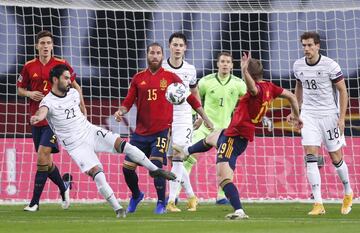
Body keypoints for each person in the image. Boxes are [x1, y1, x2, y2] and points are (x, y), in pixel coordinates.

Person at [30, 64, 177, 218]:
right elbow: (42, 112)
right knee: (97, 174)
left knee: (123, 144)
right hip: (76, 145)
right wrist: (38, 117)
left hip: (90, 131)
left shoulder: (72, 93)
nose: (69, 81)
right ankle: (118, 209)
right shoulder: (48, 102)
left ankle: (155, 170)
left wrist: (84, 109)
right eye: (66, 78)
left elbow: (78, 93)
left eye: (69, 78)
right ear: (55, 79)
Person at [174, 52, 302, 219]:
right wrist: (296, 115)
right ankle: (187, 151)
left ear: (249, 74)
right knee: (212, 137)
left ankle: (239, 210)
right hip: (233, 134)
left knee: (223, 178)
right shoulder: (271, 87)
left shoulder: (254, 90)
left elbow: (253, 88)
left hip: (234, 138)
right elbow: (292, 96)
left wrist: (244, 71)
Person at [114, 42, 213, 214]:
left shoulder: (170, 77)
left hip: (161, 132)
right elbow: (128, 102)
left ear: (161, 56)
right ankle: (136, 195)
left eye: (158, 53)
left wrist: (204, 117)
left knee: (156, 168)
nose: (154, 56)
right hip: (140, 133)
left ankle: (161, 203)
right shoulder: (138, 78)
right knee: (127, 168)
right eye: (151, 52)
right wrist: (121, 111)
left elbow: (190, 98)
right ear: (147, 55)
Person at [17, 30, 87, 211]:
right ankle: (63, 187)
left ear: (52, 45)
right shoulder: (29, 66)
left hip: (56, 120)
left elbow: (75, 85)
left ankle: (34, 203)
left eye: (48, 43)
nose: (46, 46)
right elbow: (20, 89)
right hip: (37, 118)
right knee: (45, 162)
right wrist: (29, 93)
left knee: (42, 156)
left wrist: (83, 107)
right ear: (37, 46)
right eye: (42, 43)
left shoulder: (61, 64)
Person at [287, 31, 353, 215]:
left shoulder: (330, 65)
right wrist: (295, 111)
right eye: (304, 45)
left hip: (329, 115)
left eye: (309, 45)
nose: (306, 49)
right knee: (310, 155)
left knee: (335, 158)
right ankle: (318, 203)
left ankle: (348, 192)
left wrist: (341, 118)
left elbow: (343, 91)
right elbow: (299, 87)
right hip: (309, 115)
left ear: (318, 46)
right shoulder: (298, 65)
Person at [182, 51, 247, 205]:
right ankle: (177, 194)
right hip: (205, 127)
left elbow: (249, 101)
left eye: (228, 62)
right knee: (189, 158)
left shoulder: (238, 84)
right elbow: (195, 99)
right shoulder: (206, 81)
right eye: (222, 61)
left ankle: (221, 196)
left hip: (226, 130)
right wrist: (195, 117)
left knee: (227, 164)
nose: (225, 64)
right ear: (217, 64)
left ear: (232, 65)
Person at [161, 32, 200, 212]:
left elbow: (194, 92)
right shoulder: (161, 68)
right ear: (169, 46)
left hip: (184, 117)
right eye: (174, 45)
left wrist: (199, 114)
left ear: (185, 48)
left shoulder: (190, 69)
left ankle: (171, 201)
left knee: (178, 158)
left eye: (180, 45)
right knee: (172, 160)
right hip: (164, 118)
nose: (177, 48)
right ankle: (191, 196)